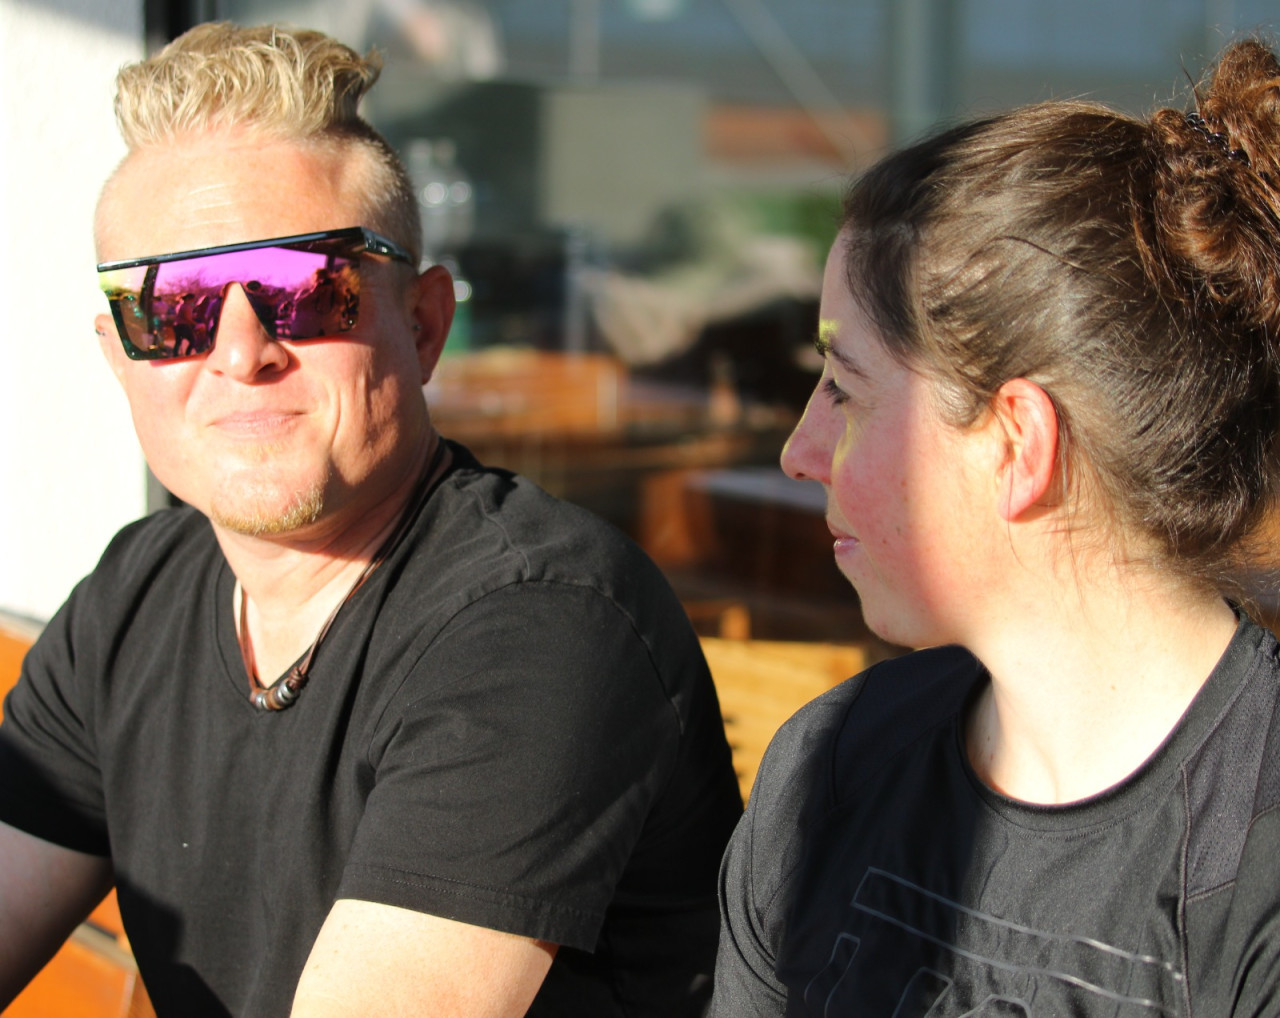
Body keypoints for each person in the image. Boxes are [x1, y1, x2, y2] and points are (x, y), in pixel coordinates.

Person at [0, 22, 742, 1018]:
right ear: (119, 355)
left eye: (305, 290)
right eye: (171, 309)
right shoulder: (134, 595)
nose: (240, 353)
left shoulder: (540, 621)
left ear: (423, 324)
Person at [711, 37, 1280, 1018]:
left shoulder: (1253, 866)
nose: (800, 453)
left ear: (1017, 442)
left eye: (843, 388)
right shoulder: (832, 769)